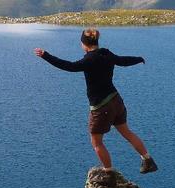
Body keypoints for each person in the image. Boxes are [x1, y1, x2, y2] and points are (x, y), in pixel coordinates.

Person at [34, 28, 158, 177]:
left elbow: (68, 66)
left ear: (84, 44)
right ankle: (148, 160)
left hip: (101, 106)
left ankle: (109, 174)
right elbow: (122, 61)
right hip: (116, 101)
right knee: (127, 132)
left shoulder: (89, 60)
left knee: (96, 142)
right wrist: (138, 58)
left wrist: (45, 55)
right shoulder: (106, 53)